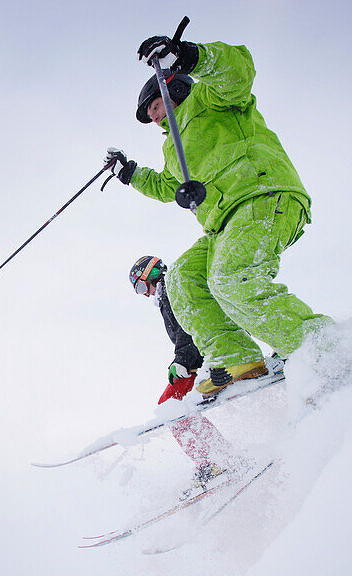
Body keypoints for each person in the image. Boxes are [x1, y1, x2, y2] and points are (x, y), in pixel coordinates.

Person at [106, 33, 332, 403]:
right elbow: (166, 185)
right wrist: (128, 173)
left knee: (230, 276)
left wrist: (192, 56)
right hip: (223, 222)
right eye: (150, 115)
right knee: (182, 277)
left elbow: (238, 72)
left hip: (262, 195)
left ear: (173, 88)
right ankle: (235, 355)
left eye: (155, 107)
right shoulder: (172, 146)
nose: (154, 116)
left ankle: (318, 346)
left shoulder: (209, 99)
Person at [130, 255, 239, 492]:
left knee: (170, 405)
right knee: (171, 407)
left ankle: (215, 460)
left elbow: (188, 324)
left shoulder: (170, 289)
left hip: (199, 355)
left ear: (151, 274)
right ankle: (217, 458)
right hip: (195, 355)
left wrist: (182, 360)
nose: (143, 294)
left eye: (140, 286)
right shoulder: (166, 294)